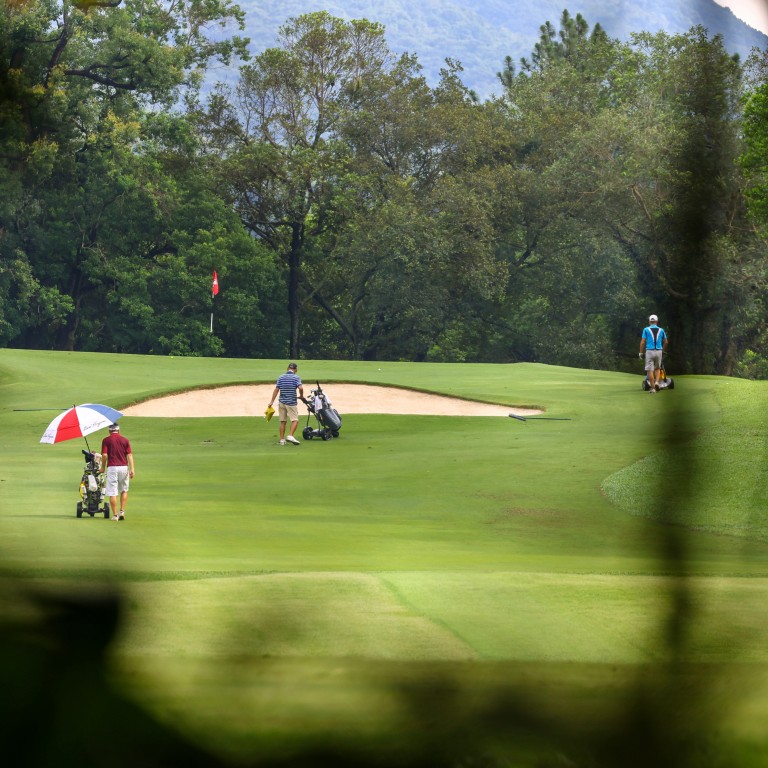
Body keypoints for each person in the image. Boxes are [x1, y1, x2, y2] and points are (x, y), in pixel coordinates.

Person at [100, 422, 135, 520]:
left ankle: (115, 515)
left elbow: (105, 455)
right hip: (124, 467)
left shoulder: (106, 440)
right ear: (119, 430)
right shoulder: (125, 440)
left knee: (112, 492)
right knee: (124, 490)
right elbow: (130, 455)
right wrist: (132, 469)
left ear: (109, 430)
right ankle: (122, 511)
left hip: (112, 468)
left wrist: (102, 467)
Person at [268, 362, 304, 445]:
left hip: (281, 402)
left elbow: (276, 389)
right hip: (291, 402)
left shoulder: (281, 377)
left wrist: (272, 401)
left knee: (283, 421)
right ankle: (290, 435)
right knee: (295, 420)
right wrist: (301, 396)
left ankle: (281, 440)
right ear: (295, 369)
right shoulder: (296, 377)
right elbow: (301, 388)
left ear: (287, 368)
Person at [639, 314, 668, 392]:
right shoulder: (661, 330)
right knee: (657, 368)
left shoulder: (646, 329)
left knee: (649, 370)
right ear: (656, 321)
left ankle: (653, 388)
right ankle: (657, 383)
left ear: (649, 321)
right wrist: (662, 350)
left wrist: (641, 352)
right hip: (659, 351)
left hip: (649, 351)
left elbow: (643, 342)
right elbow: (666, 342)